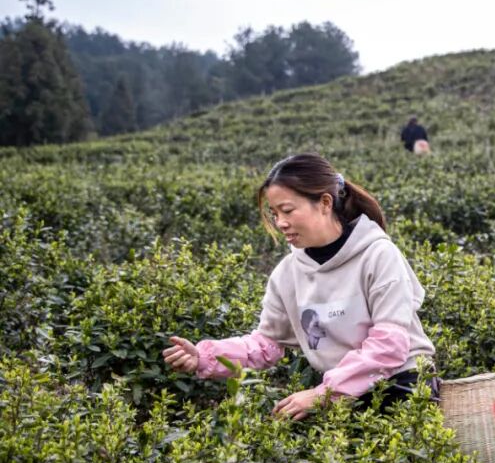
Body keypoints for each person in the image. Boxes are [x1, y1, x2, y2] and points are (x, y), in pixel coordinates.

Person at [162, 153, 436, 420]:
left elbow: (389, 345)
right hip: (338, 395)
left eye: (288, 210)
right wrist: (204, 356)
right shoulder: (287, 274)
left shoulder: (377, 255)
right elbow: (266, 344)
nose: (280, 223)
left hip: (401, 388)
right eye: (274, 213)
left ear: (325, 203)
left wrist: (324, 394)